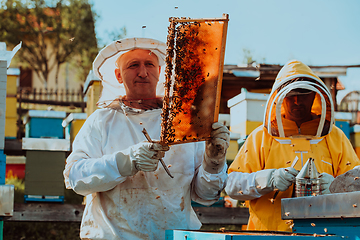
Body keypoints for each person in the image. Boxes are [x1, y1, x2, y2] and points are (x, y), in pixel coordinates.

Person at [63, 37, 230, 240]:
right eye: (133, 65)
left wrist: (213, 162)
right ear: (118, 75)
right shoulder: (101, 121)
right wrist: (126, 161)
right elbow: (75, 177)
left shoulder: (186, 125)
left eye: (149, 64)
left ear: (160, 72)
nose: (143, 72)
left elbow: (205, 196)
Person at [225, 59, 360, 232]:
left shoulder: (335, 138)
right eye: (291, 94)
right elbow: (232, 185)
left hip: (325, 234)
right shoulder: (261, 137)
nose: (297, 100)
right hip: (268, 236)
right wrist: (267, 179)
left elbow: (357, 183)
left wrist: (337, 186)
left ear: (315, 96)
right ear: (280, 98)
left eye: (303, 93)